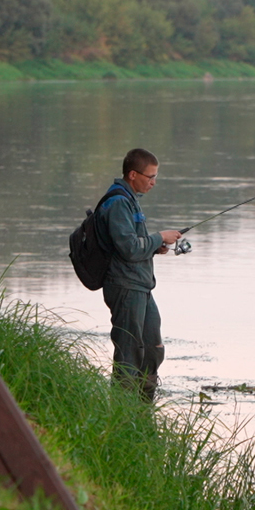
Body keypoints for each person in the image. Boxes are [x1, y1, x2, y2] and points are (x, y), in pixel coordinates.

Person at [97, 148, 182, 401]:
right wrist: (159, 237)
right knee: (129, 354)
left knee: (153, 350)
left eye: (156, 177)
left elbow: (132, 244)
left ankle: (144, 413)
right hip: (125, 287)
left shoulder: (130, 199)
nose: (153, 182)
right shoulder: (118, 202)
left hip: (141, 287)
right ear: (133, 174)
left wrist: (155, 246)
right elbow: (130, 248)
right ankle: (122, 417)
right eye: (150, 176)